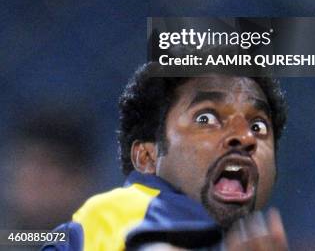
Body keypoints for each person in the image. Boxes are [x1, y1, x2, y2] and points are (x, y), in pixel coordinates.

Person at [43, 64, 288, 250]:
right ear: (147, 157)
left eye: (258, 126)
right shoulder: (130, 212)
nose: (245, 137)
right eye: (206, 119)